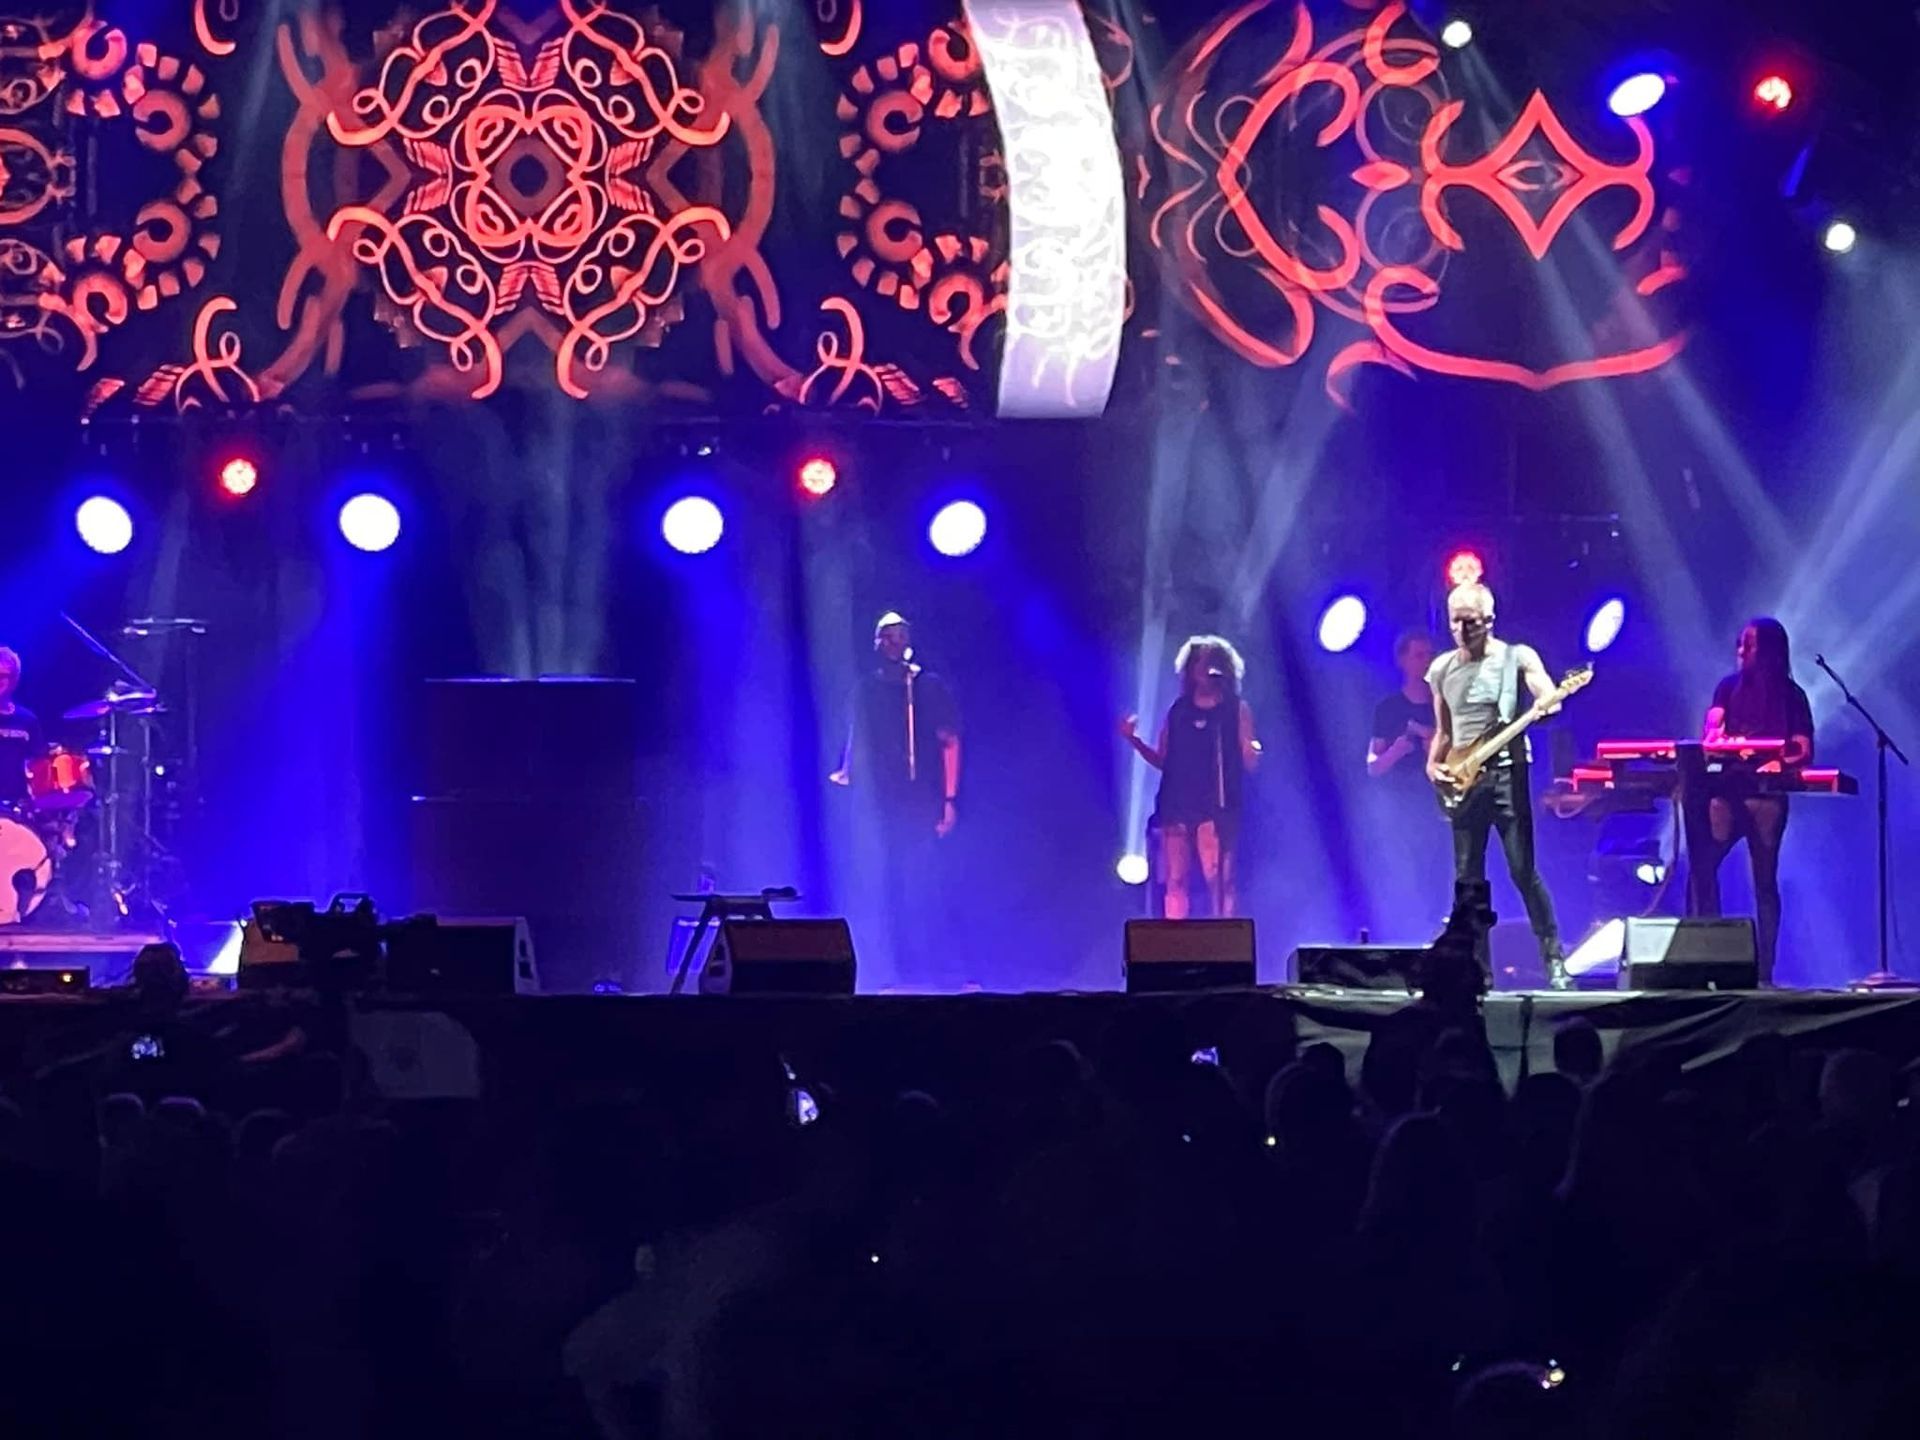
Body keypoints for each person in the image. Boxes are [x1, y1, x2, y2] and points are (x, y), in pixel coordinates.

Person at [1425, 585, 1567, 989]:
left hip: (1508, 774)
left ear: (1489, 620)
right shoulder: (1441, 670)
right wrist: (1433, 766)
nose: (1462, 628)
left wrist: (1548, 701)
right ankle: (1477, 971)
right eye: (1455, 620)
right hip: (1464, 783)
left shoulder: (1515, 657)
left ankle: (1554, 957)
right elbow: (1445, 731)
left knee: (1523, 870)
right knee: (1468, 879)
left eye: (1470, 620)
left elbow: (1547, 692)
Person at [831, 613, 962, 986]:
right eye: (887, 637)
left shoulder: (927, 686)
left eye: (901, 636)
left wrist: (949, 799)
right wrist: (847, 775)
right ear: (876, 643)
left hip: (920, 799)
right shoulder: (865, 690)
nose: (895, 643)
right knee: (882, 882)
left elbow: (950, 742)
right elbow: (856, 739)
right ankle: (885, 969)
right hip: (879, 802)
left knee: (924, 880)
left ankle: (935, 967)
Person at [1693, 617, 1813, 984]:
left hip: (1767, 796)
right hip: (1727, 794)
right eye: (1740, 642)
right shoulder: (1727, 688)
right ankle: (1707, 963)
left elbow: (1804, 750)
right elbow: (1711, 733)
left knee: (1764, 880)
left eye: (1749, 643)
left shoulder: (1792, 696)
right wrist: (1718, 737)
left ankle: (1764, 972)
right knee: (1702, 869)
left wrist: (1777, 759)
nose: (1740, 650)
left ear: (1770, 651)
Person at [1122, 635, 1261, 918]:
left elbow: (1248, 757)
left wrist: (1252, 751)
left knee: (1219, 878)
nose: (1205, 667)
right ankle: (1176, 946)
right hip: (1177, 803)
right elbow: (1164, 759)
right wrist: (1133, 740)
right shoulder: (1179, 711)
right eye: (1199, 661)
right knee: (1176, 879)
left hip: (1216, 804)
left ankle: (1225, 941)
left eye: (1211, 661)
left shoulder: (1235, 709)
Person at [0, 647, 41, 809]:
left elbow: (36, 763)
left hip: (18, 805)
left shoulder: (28, 720)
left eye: (3, 675)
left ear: (14, 679)